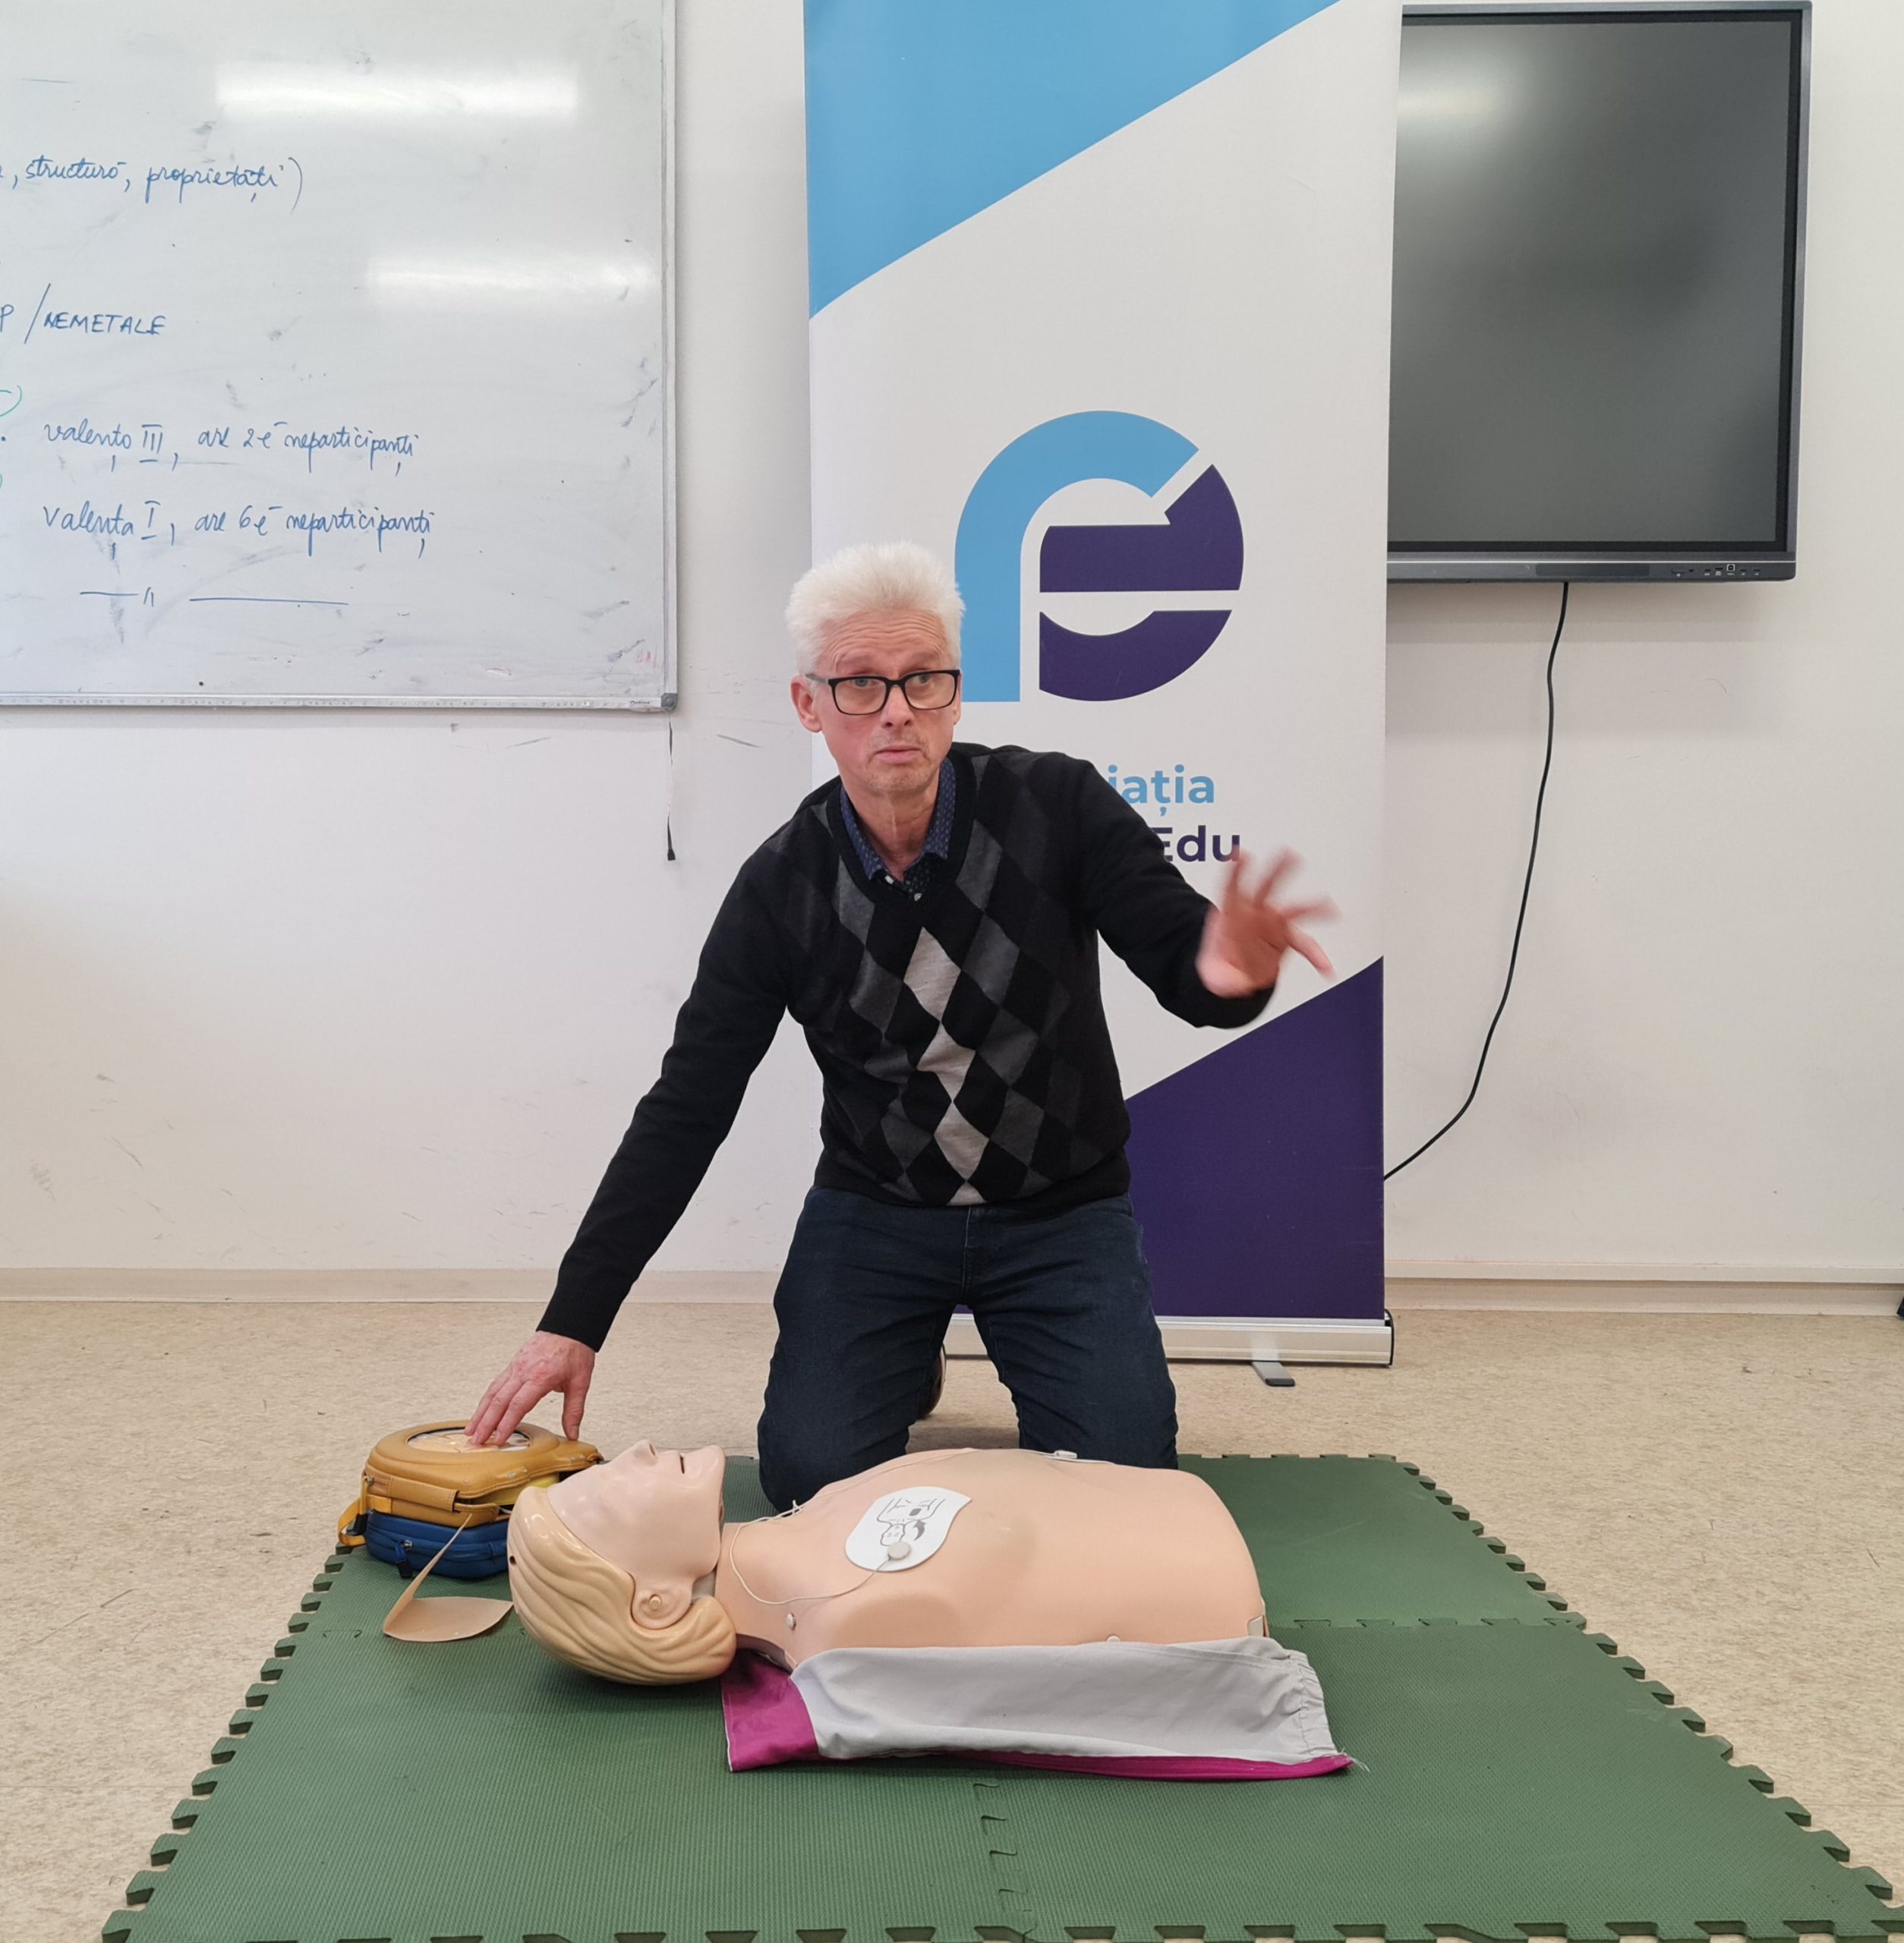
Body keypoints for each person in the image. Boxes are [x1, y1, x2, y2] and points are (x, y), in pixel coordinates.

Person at [468, 542, 1336, 1510]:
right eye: (861, 684)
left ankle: (961, 1337)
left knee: (1125, 1483)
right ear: (809, 705)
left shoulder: (1059, 805)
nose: (896, 710)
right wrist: (574, 1318)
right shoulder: (781, 887)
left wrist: (1230, 972)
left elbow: (1191, 966)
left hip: (1059, 1208)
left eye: (924, 679)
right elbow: (688, 1105)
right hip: (877, 1211)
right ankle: (902, 1343)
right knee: (812, 1479)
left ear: (955, 695)